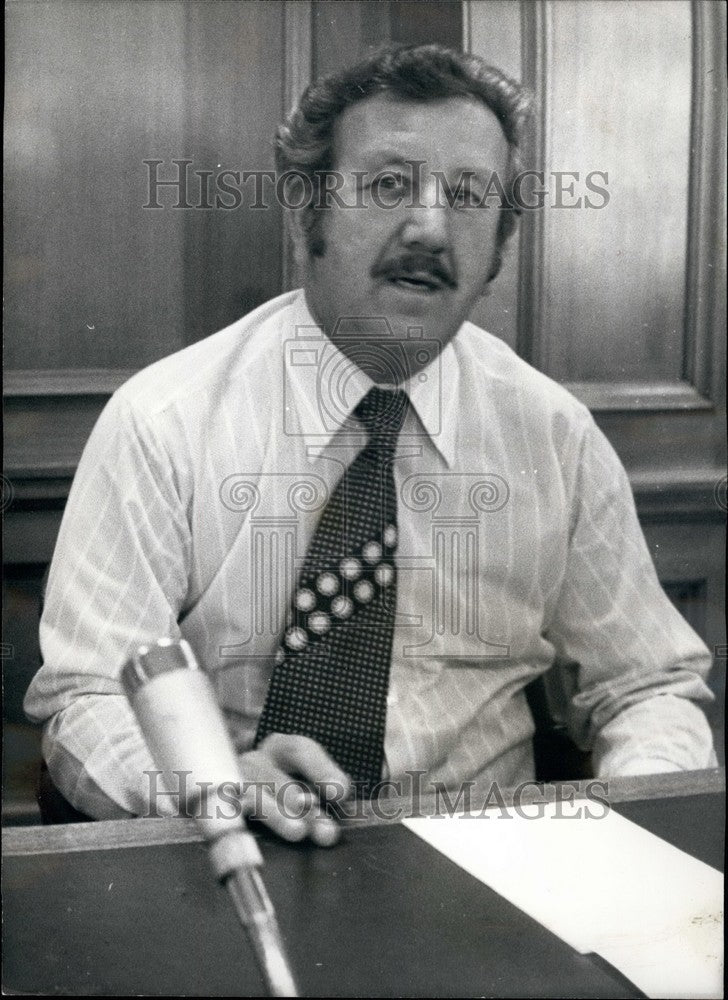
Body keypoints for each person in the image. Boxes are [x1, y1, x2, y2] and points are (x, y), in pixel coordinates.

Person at [25, 44, 715, 845]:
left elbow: (646, 685)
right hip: (239, 848)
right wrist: (207, 787)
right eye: (389, 185)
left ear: (500, 245)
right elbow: (88, 695)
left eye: (469, 195)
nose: (429, 227)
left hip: (493, 860)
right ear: (305, 211)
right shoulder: (163, 421)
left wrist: (633, 835)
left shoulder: (555, 436)